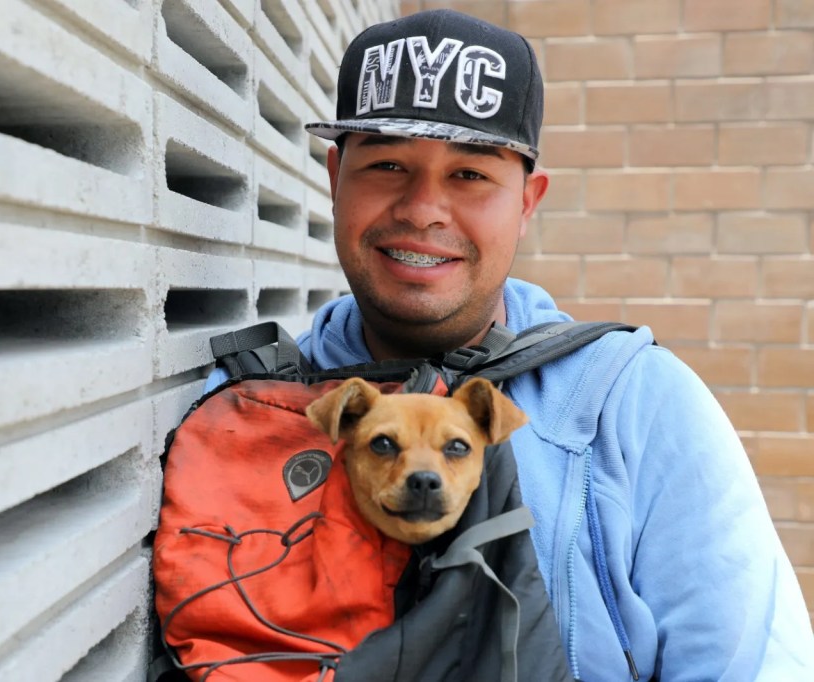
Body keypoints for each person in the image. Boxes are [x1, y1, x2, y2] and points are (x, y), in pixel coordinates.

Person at [205, 8, 814, 680]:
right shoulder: (253, 411)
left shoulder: (637, 406)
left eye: (470, 175)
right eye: (385, 164)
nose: (422, 208)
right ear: (334, 178)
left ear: (527, 202)